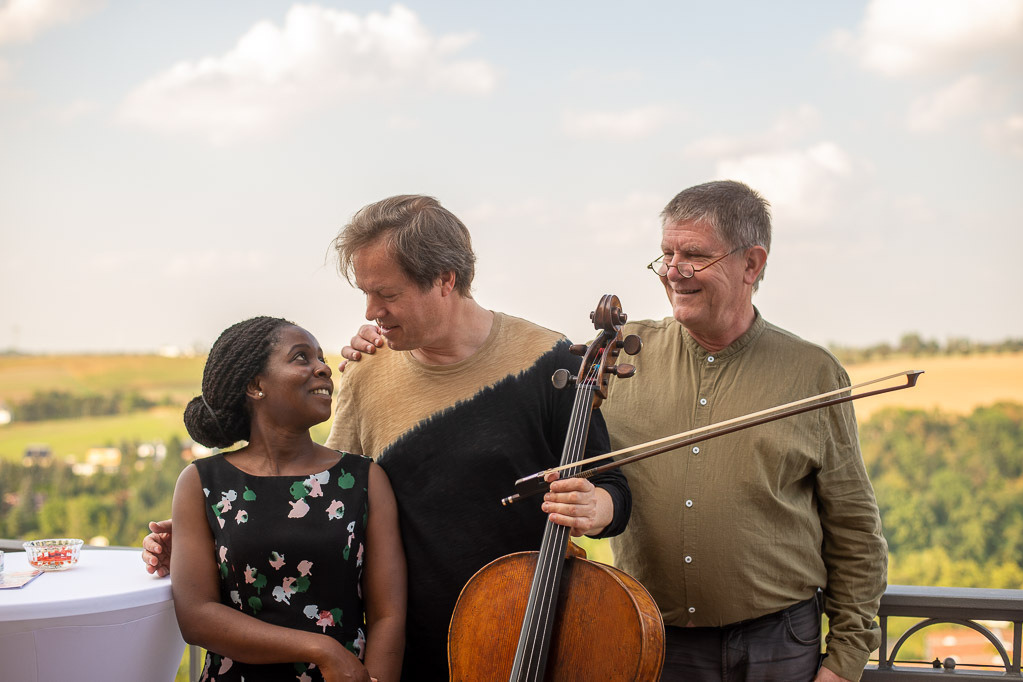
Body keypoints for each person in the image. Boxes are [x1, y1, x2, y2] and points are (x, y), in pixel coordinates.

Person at [338, 181, 888, 682]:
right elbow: (338, 506)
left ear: (752, 263)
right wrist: (376, 340)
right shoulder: (613, 357)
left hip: (776, 640)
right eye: (667, 255)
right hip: (650, 636)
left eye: (695, 255)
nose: (674, 270)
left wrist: (844, 661)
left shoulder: (812, 374)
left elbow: (855, 529)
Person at [143, 196, 632, 682]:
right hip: (402, 655)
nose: (371, 311)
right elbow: (328, 501)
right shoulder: (364, 371)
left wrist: (597, 507)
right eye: (366, 293)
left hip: (524, 639)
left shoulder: (552, 362)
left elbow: (614, 491)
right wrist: (209, 536)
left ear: (445, 279)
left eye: (387, 294)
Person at [169, 316, 406, 682]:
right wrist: (323, 649)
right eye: (301, 357)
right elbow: (196, 616)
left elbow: (388, 615)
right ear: (255, 385)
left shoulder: (364, 479)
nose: (323, 368)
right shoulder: (202, 482)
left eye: (321, 358)